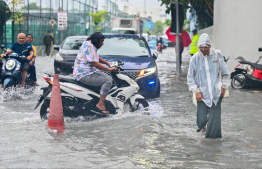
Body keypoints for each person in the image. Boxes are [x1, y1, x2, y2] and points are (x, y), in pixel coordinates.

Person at [187, 33, 230, 138]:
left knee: (214, 120)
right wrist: (196, 91)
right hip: (202, 93)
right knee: (201, 120)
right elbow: (190, 78)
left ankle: (212, 141)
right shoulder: (195, 59)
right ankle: (203, 126)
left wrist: (223, 87)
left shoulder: (217, 55)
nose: (203, 49)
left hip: (216, 93)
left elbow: (226, 74)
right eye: (200, 47)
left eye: (205, 47)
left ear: (209, 46)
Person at [73, 32, 118, 115]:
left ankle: (97, 99)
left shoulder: (88, 43)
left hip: (86, 72)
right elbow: (95, 63)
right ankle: (100, 104)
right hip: (84, 74)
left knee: (105, 76)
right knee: (108, 80)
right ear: (96, 41)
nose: (102, 43)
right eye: (101, 41)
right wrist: (109, 69)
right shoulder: (90, 46)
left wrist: (107, 63)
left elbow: (95, 57)